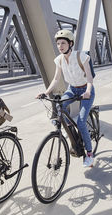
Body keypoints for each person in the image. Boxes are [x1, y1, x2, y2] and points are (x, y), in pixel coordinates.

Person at [36, 29, 95, 168]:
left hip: (85, 90)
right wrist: (46, 92)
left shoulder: (81, 57)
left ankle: (89, 154)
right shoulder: (59, 60)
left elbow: (90, 78)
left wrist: (87, 91)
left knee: (81, 122)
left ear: (70, 43)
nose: (60, 46)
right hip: (72, 89)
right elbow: (56, 79)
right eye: (58, 43)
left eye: (63, 43)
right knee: (59, 107)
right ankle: (71, 131)